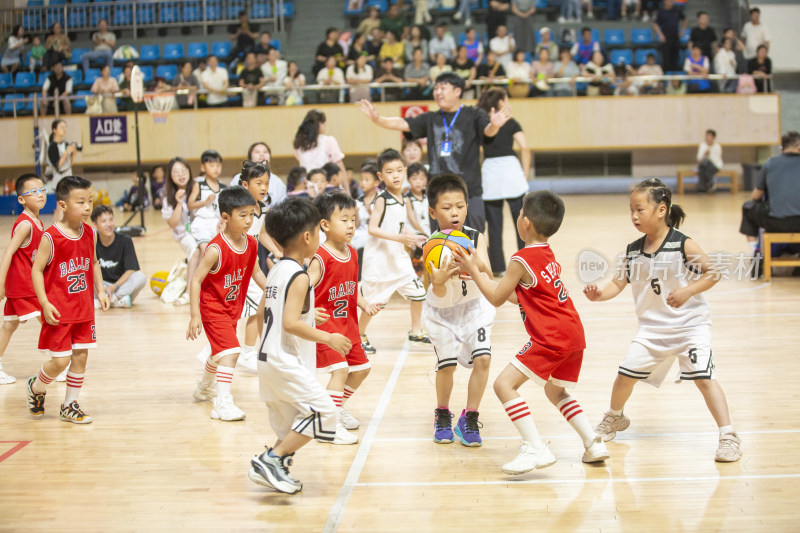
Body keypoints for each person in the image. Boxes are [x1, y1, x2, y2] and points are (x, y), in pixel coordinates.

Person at [584, 178, 742, 463]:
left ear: (661, 210)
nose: (634, 216)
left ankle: (728, 435)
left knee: (705, 380)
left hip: (690, 327)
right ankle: (615, 418)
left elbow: (713, 273)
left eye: (640, 209)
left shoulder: (683, 244)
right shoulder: (633, 249)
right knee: (623, 378)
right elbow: (617, 284)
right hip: (652, 330)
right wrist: (599, 294)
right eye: (631, 210)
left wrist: (688, 291)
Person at [456, 190, 610, 474]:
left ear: (525, 222)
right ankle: (593, 442)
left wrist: (472, 269)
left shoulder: (521, 258)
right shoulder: (545, 253)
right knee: (556, 391)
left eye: (519, 213)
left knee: (504, 386)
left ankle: (535, 447)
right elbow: (521, 295)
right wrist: (486, 277)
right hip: (574, 334)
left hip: (551, 336)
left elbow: (497, 299)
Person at [248, 198, 349, 494]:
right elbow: (290, 323)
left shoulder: (277, 269)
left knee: (294, 423)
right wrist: (328, 337)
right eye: (318, 232)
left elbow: (266, 310)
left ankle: (272, 464)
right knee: (324, 412)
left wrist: (306, 314)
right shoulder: (300, 275)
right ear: (307, 237)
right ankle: (271, 459)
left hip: (267, 359)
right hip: (282, 360)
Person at [359, 71, 513, 231]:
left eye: (443, 88)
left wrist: (494, 125)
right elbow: (403, 123)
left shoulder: (473, 114)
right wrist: (378, 119)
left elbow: (488, 131)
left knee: (473, 242)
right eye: (436, 88)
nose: (438, 92)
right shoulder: (431, 118)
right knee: (440, 245)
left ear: (457, 91)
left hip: (468, 192)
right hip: (438, 193)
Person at [27, 176, 110, 425]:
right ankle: (37, 387)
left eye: (90, 201)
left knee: (81, 356)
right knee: (60, 361)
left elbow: (93, 262)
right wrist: (44, 302)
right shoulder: (50, 237)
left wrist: (101, 291)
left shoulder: (91, 234)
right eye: (81, 201)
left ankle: (69, 405)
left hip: (84, 309)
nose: (87, 207)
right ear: (63, 205)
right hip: (59, 310)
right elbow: (36, 270)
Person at [422, 174, 496, 446]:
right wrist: (439, 280)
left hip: (475, 308)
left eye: (460, 206)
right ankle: (442, 413)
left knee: (483, 360)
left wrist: (473, 266)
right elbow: (436, 291)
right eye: (446, 207)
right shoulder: (431, 246)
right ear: (433, 211)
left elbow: (488, 271)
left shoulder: (476, 237)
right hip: (443, 313)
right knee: (447, 365)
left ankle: (470, 417)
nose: (455, 212)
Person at [307, 192, 382, 445]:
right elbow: (301, 289)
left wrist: (365, 304)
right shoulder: (319, 257)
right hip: (327, 328)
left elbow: (351, 288)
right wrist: (307, 311)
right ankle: (328, 425)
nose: (351, 225)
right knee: (339, 371)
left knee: (361, 370)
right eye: (344, 220)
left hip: (348, 326)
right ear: (325, 225)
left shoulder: (352, 253)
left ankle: (333, 409)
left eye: (353, 219)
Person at [187, 187, 267, 422]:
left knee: (219, 352)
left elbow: (257, 273)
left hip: (233, 308)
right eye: (242, 215)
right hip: (212, 309)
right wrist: (194, 315)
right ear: (225, 218)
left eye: (251, 214)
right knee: (232, 351)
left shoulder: (251, 244)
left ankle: (204, 388)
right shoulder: (215, 249)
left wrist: (276, 289)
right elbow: (196, 280)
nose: (249, 220)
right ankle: (222, 403)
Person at [358, 149, 429, 353]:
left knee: (418, 293)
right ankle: (359, 334)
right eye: (390, 172)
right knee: (374, 303)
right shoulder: (382, 199)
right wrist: (402, 238)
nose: (395, 175)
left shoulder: (402, 198)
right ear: (380, 176)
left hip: (397, 258)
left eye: (399, 170)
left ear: (405, 171)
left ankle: (416, 332)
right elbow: (373, 228)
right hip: (380, 261)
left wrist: (413, 237)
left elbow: (399, 225)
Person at [0, 174, 46, 385]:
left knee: (9, 326)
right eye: (34, 191)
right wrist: (0, 283)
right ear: (21, 199)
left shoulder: (37, 221)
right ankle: (61, 363)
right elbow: (8, 252)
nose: (40, 194)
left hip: (22, 286)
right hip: (25, 287)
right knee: (50, 320)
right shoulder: (25, 224)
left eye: (43, 189)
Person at [233, 162, 279, 373]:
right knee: (253, 307)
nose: (264, 187)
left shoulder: (262, 209)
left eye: (267, 183)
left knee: (260, 304)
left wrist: (277, 252)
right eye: (258, 182)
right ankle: (249, 351)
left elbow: (263, 235)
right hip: (238, 267)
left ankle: (255, 350)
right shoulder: (238, 210)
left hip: (252, 266)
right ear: (245, 184)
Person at [478, 88, 529, 275]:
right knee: (522, 222)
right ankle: (525, 264)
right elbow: (525, 147)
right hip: (511, 171)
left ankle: (498, 267)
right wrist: (525, 174)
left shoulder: (484, 123)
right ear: (500, 102)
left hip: (490, 172)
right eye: (506, 99)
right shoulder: (511, 122)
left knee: (494, 226)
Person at [739, 132, 800, 255]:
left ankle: (755, 252)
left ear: (782, 147)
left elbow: (756, 197)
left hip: (775, 222)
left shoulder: (770, 163)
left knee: (748, 207)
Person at [91, 206, 146, 308]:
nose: (109, 224)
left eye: (111, 219)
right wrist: (101, 290)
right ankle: (117, 302)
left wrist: (114, 287)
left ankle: (108, 300)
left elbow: (131, 269)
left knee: (140, 278)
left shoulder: (125, 240)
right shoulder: (92, 242)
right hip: (101, 285)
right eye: (103, 221)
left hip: (120, 285)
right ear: (94, 225)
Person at [162, 157, 200, 298]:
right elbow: (172, 224)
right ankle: (189, 293)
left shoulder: (197, 189)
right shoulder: (168, 198)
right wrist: (178, 203)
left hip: (201, 231)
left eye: (183, 170)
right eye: (176, 172)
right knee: (195, 250)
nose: (181, 174)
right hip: (184, 235)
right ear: (170, 176)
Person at [188, 149, 226, 255]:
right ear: (203, 167)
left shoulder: (224, 187)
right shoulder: (199, 185)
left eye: (218, 165)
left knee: (220, 253)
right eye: (212, 165)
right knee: (206, 251)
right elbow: (190, 205)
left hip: (218, 224)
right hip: (202, 224)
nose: (216, 169)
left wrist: (222, 220)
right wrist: (205, 202)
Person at [293, 110, 345, 175]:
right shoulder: (328, 141)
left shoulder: (299, 143)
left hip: (308, 183)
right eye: (325, 122)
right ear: (320, 124)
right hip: (325, 182)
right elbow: (339, 166)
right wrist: (346, 185)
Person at [353, 161, 380, 271]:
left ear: (376, 182)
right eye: (361, 179)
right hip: (361, 236)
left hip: (377, 235)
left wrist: (370, 212)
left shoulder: (381, 199)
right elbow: (357, 225)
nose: (363, 182)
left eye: (367, 180)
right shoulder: (357, 201)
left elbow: (382, 223)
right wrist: (355, 213)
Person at [653, 0, 687, 72]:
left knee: (675, 58)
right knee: (666, 59)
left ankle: (675, 78)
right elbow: (655, 24)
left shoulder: (677, 10)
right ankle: (667, 77)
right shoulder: (661, 11)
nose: (670, 2)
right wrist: (660, 34)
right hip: (665, 38)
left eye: (671, 1)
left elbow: (685, 19)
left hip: (675, 37)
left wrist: (682, 31)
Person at [46, 119, 77, 187]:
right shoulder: (52, 147)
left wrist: (74, 153)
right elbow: (58, 166)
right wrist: (66, 152)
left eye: (65, 127)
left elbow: (70, 164)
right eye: (62, 127)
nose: (64, 129)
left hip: (69, 179)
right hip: (58, 181)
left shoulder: (66, 144)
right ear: (54, 130)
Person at [404, 163, 430, 237]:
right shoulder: (407, 198)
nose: (418, 182)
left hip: (429, 232)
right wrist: (425, 235)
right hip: (415, 233)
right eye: (414, 179)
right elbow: (413, 221)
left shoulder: (428, 195)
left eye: (421, 179)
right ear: (408, 180)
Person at [696, 129, 722, 193]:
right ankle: (711, 184)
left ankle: (702, 188)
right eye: (707, 136)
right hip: (704, 165)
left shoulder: (717, 146)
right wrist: (705, 154)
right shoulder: (703, 145)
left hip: (715, 165)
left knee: (704, 166)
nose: (708, 138)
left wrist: (709, 156)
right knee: (704, 164)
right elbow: (699, 158)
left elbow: (717, 159)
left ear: (713, 138)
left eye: (709, 136)